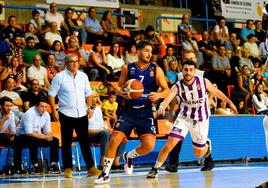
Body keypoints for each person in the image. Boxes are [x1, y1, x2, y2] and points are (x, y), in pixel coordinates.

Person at [146, 60, 238, 178]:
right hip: (184, 118)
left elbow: (216, 92)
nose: (188, 72)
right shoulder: (178, 86)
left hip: (201, 120)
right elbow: (168, 99)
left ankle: (206, 146)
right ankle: (155, 169)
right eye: (185, 70)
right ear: (182, 71)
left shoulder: (203, 82)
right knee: (170, 144)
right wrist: (163, 106)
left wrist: (230, 103)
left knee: (198, 154)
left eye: (190, 70)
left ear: (194, 71)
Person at [95, 41, 169, 184]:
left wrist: (159, 96)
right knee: (114, 139)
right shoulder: (127, 68)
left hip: (146, 112)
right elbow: (119, 87)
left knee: (149, 145)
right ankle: (105, 173)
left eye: (151, 51)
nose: (149, 54)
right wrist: (123, 92)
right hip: (128, 111)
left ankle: (129, 156)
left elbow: (166, 89)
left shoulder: (156, 69)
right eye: (147, 51)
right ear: (139, 52)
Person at [48, 53, 100, 178]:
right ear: (66, 63)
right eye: (71, 61)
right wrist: (54, 110)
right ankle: (67, 168)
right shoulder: (59, 77)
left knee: (84, 141)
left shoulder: (83, 76)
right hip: (65, 113)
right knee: (66, 142)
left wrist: (90, 107)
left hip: (82, 113)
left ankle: (90, 167)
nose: (75, 63)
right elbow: (51, 94)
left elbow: (88, 94)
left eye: (76, 61)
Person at [13, 97, 60, 174]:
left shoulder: (46, 114)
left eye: (46, 107)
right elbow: (29, 133)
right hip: (20, 136)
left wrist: (48, 135)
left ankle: (52, 165)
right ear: (36, 106)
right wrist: (44, 137)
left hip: (36, 135)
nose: (44, 109)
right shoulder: (29, 113)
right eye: (42, 107)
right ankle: (35, 166)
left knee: (54, 141)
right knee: (33, 139)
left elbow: (47, 129)